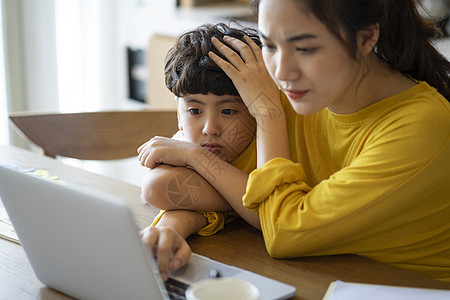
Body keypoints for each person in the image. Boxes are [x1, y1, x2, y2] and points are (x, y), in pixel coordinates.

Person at [140, 0, 450, 282]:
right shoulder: (304, 92)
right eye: (271, 46)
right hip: (319, 276)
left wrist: (265, 114)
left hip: (402, 287)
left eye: (304, 48)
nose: (281, 71)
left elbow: (283, 231)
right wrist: (171, 228)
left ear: (366, 38)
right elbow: (184, 179)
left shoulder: (420, 126)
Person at [137, 23, 265, 281]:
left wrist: (196, 157)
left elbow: (270, 213)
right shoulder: (187, 141)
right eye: (194, 111)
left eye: (228, 111)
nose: (210, 129)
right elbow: (160, 190)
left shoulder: (270, 143)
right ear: (179, 115)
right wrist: (170, 230)